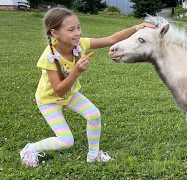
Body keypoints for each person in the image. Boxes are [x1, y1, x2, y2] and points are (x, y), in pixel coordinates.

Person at [20, 7, 155, 167]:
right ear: (55, 33)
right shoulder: (48, 58)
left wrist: (136, 28)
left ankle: (93, 155)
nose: (77, 33)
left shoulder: (80, 44)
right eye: (71, 29)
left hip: (69, 95)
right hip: (49, 100)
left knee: (93, 114)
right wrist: (76, 71)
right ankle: (30, 149)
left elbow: (111, 39)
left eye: (78, 27)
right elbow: (59, 90)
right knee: (66, 141)